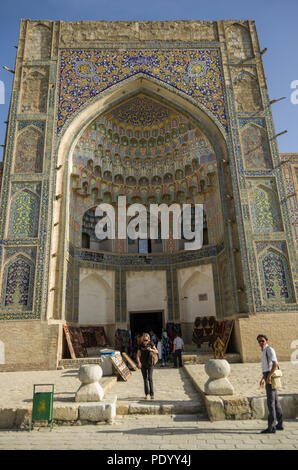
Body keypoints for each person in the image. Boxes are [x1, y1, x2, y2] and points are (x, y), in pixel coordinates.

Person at [257, 334, 283, 434]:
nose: (260, 343)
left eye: (262, 341)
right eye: (259, 341)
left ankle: (271, 427)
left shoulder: (269, 350)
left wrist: (268, 377)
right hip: (267, 375)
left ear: (266, 341)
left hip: (270, 377)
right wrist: (263, 378)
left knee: (270, 402)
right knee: (275, 402)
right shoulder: (264, 350)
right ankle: (280, 424)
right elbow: (267, 367)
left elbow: (275, 364)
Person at [137, 332, 158, 400]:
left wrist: (151, 349)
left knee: (150, 378)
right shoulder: (140, 345)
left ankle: (152, 394)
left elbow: (157, 351)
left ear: (149, 340)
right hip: (143, 364)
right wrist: (139, 362)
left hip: (150, 364)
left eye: (146, 340)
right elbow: (138, 355)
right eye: (144, 340)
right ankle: (147, 394)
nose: (145, 342)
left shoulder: (151, 344)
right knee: (145, 379)